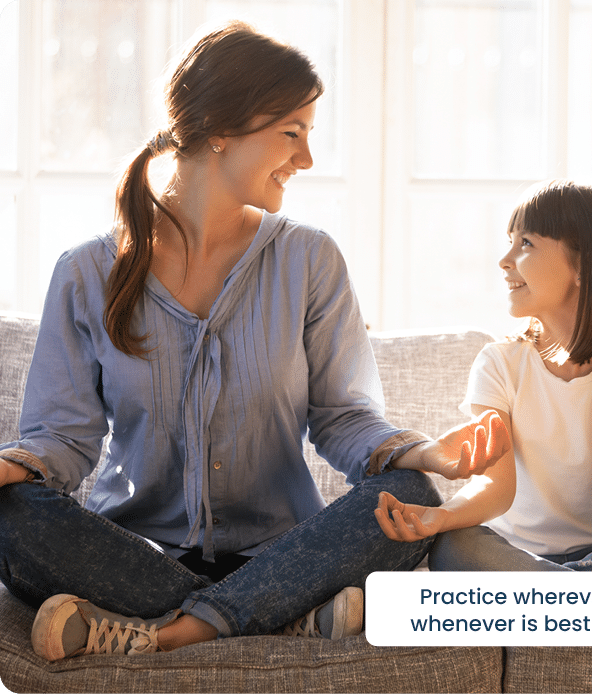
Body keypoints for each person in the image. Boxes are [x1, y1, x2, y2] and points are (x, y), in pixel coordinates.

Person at [0, 20, 509, 661]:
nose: (306, 160)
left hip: (285, 547)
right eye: (291, 134)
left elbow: (342, 417)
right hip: (132, 552)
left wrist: (427, 455)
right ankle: (281, 613)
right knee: (12, 512)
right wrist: (10, 470)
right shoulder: (85, 273)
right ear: (219, 129)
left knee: (407, 498)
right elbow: (64, 440)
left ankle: (168, 629)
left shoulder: (309, 260)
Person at [375, 179, 592, 572]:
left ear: (584, 265)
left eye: (525, 243)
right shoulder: (500, 364)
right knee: (455, 545)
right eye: (510, 241)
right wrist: (442, 517)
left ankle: (552, 600)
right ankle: (591, 601)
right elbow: (497, 487)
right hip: (517, 557)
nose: (505, 260)